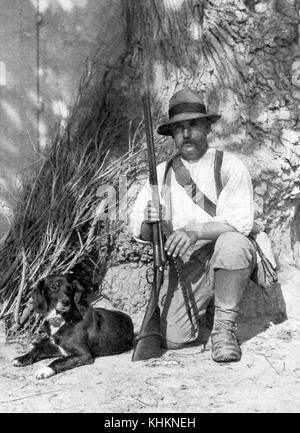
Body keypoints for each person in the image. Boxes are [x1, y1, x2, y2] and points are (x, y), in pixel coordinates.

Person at [130, 88, 257, 363]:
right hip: (185, 263)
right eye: (179, 128)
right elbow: (138, 232)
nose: (186, 134)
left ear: (207, 127)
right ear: (172, 134)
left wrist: (194, 231)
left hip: (223, 249)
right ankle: (206, 306)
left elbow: (240, 223)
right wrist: (150, 223)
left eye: (193, 125)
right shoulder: (161, 173)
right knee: (173, 340)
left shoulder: (230, 166)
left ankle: (223, 329)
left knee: (233, 244)